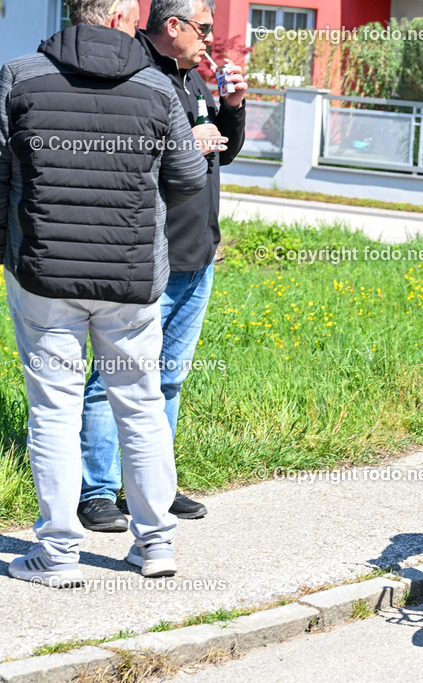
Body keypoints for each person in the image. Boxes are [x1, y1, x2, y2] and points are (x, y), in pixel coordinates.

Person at [0, 0, 207, 585]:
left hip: (42, 274)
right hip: (133, 278)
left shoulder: (18, 76)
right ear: (119, 19)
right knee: (141, 407)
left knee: (54, 410)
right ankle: (156, 545)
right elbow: (189, 178)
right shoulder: (155, 88)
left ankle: (58, 555)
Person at [77, 0, 247, 533]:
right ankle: (97, 491)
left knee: (168, 378)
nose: (209, 41)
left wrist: (231, 107)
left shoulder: (191, 79)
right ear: (171, 26)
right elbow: (117, 154)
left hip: (197, 254)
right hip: (145, 256)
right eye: (203, 29)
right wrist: (181, 143)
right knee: (116, 375)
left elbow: (220, 153)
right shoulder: (135, 76)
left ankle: (153, 486)